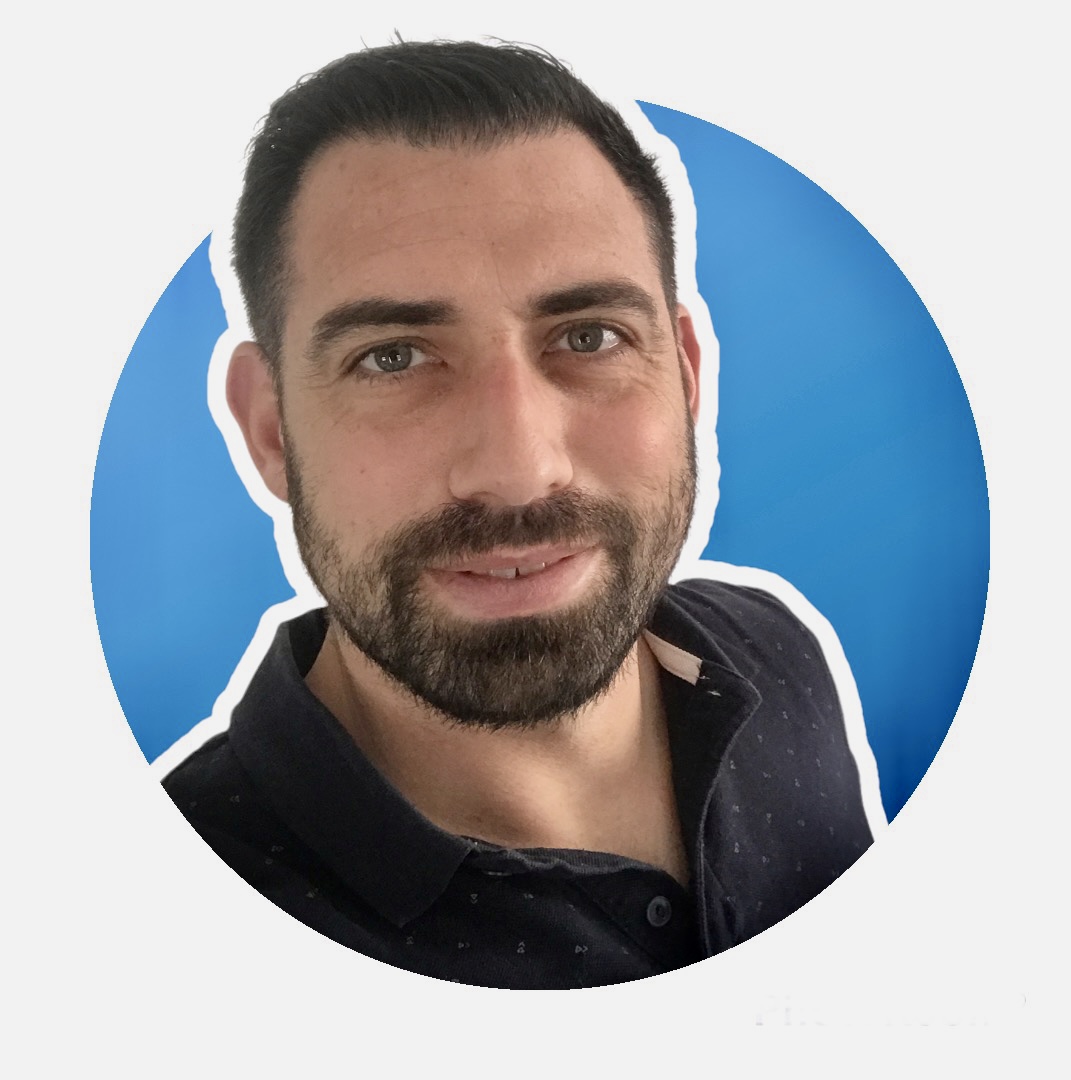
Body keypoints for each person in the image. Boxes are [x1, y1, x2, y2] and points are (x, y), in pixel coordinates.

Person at [164, 39, 875, 989]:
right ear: (271, 429)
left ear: (685, 375)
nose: (519, 470)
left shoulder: (776, 649)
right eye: (393, 357)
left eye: (591, 337)